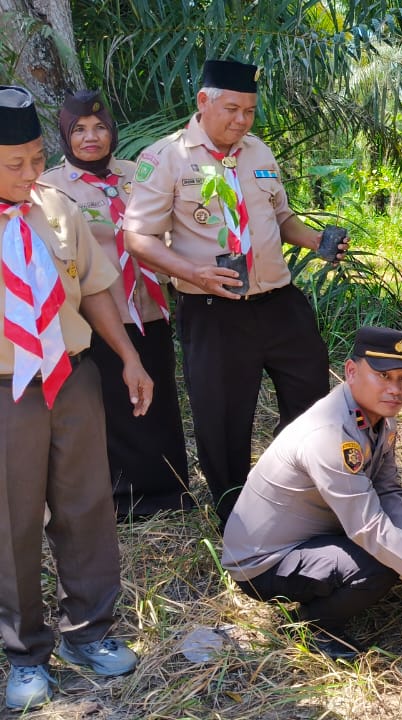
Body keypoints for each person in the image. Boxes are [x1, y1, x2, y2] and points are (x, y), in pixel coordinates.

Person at [123, 59, 348, 529]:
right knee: (223, 418)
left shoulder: (258, 151)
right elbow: (138, 237)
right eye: (232, 109)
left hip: (279, 302)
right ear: (203, 102)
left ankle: (300, 494)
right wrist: (193, 272)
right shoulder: (166, 158)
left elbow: (281, 219)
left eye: (249, 110)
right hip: (213, 310)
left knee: (311, 397)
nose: (242, 120)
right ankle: (237, 517)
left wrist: (317, 241)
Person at [221, 327, 402, 658]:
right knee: (381, 562)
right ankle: (314, 627)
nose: (395, 389)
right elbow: (367, 528)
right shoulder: (328, 434)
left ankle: (356, 584)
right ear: (351, 371)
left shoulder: (379, 415)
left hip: (322, 529)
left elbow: (387, 489)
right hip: (267, 562)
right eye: (383, 375)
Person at [0, 85, 154, 711]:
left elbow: (92, 290)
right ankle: (25, 652)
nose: (31, 173)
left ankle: (89, 631)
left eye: (39, 158)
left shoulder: (57, 208)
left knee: (87, 506)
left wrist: (130, 358)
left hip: (71, 376)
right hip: (6, 390)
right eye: (16, 163)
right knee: (11, 521)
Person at [41, 89, 192, 519]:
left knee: (158, 399)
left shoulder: (138, 175)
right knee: (113, 404)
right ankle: (122, 498)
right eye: (79, 130)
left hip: (150, 309)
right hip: (98, 314)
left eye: (99, 127)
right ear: (65, 136)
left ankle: (170, 490)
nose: (91, 137)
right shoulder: (49, 188)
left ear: (112, 131)